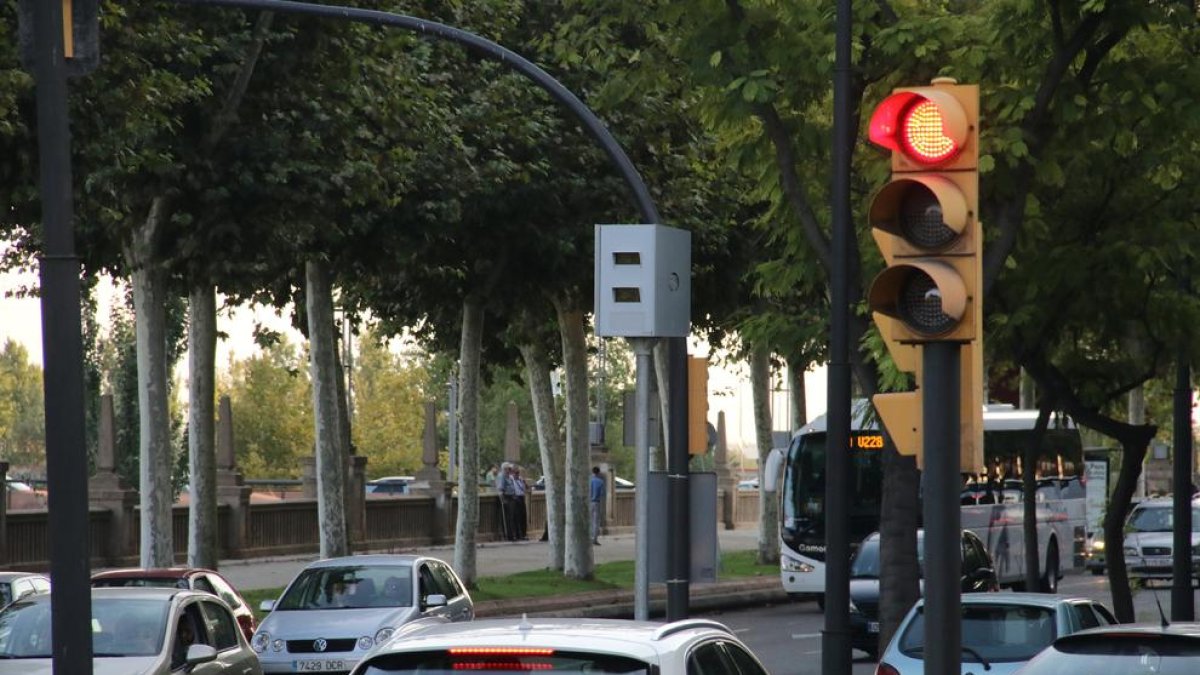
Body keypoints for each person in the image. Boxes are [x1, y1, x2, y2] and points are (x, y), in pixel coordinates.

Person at [496, 463, 517, 541]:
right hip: (506, 498)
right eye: (509, 469)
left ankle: (512, 534)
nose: (510, 470)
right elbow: (500, 489)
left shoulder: (510, 476)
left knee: (511, 517)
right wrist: (503, 499)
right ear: (505, 469)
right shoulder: (502, 476)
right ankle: (509, 535)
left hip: (512, 497)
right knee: (508, 517)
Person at [589, 466, 606, 545]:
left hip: (589, 502)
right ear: (598, 472)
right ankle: (594, 538)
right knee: (596, 521)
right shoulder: (601, 482)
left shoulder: (589, 481)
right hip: (597, 502)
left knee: (589, 520)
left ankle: (589, 537)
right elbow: (603, 494)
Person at [512, 467, 528, 540]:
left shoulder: (520, 480)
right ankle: (518, 534)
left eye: (518, 473)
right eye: (516, 473)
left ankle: (524, 534)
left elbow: (525, 488)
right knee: (517, 517)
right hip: (516, 498)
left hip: (522, 497)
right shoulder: (512, 480)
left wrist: (524, 483)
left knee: (523, 516)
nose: (517, 474)